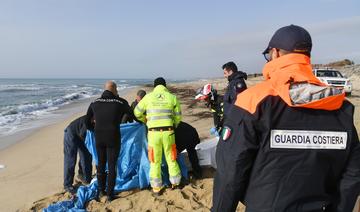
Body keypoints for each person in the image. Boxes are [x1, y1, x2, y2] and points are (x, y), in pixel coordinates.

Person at [212, 25, 360, 212]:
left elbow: (230, 170)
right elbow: (353, 172)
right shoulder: (340, 106)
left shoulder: (253, 100)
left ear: (275, 54)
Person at [85, 81, 134, 202]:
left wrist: (95, 130)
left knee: (101, 165)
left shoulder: (94, 103)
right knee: (112, 166)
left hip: (99, 138)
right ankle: (110, 194)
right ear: (115, 89)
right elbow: (132, 115)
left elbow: (87, 122)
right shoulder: (120, 102)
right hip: (113, 137)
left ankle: (101, 191)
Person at [134, 77, 182, 196]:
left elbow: (136, 112)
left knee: (155, 161)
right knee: (171, 158)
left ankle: (156, 188)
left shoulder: (148, 97)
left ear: (154, 86)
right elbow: (178, 116)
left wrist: (145, 120)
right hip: (169, 132)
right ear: (165, 85)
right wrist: (174, 124)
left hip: (153, 133)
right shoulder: (172, 97)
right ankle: (175, 183)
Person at [63, 115, 92, 194]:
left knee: (87, 156)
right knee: (70, 160)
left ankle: (84, 177)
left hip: (80, 135)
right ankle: (67, 185)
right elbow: (83, 134)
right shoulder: (89, 120)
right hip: (71, 133)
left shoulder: (100, 120)